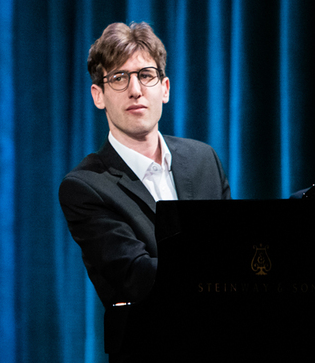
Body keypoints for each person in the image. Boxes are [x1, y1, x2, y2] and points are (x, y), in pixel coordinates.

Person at [58, 22, 231, 309]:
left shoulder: (204, 159)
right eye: (119, 78)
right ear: (98, 95)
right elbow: (137, 276)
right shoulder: (85, 187)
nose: (135, 90)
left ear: (164, 89)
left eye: (146, 75)